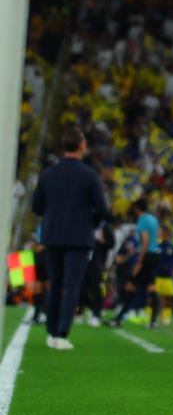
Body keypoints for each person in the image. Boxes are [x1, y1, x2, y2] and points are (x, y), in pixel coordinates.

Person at [31, 125, 108, 350]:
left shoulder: (48, 174)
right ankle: (62, 334)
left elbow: (37, 207)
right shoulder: (90, 175)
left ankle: (51, 332)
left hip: (52, 236)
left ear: (63, 146)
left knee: (54, 284)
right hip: (79, 238)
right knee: (72, 286)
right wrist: (89, 224)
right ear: (82, 146)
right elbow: (102, 210)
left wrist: (53, 216)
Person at [113, 198, 161, 327]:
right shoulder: (153, 219)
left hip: (146, 255)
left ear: (136, 208)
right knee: (151, 287)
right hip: (155, 254)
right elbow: (157, 236)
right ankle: (153, 321)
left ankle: (119, 318)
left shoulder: (142, 220)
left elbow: (145, 240)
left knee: (131, 284)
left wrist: (140, 260)